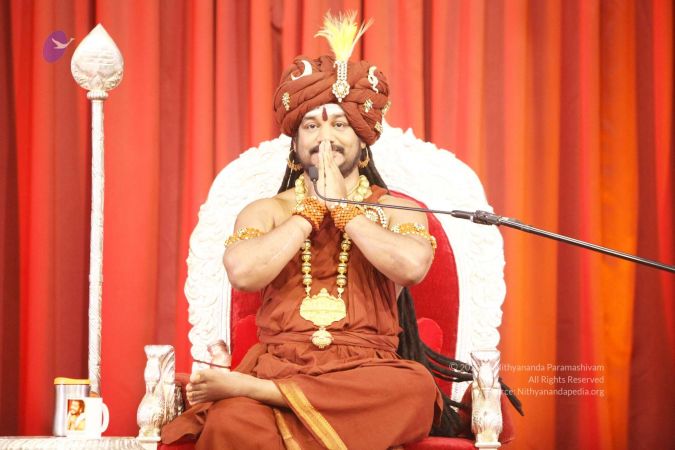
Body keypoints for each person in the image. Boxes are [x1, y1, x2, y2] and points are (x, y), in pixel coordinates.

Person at [162, 11, 520, 449]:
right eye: (311, 125)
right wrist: (311, 212)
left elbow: (411, 267)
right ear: (296, 144)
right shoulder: (268, 210)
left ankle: (259, 391)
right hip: (281, 364)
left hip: (367, 373)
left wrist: (346, 212)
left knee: (414, 388)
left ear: (363, 142)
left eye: (339, 124)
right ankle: (269, 395)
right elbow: (243, 273)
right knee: (232, 423)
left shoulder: (396, 209)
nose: (325, 137)